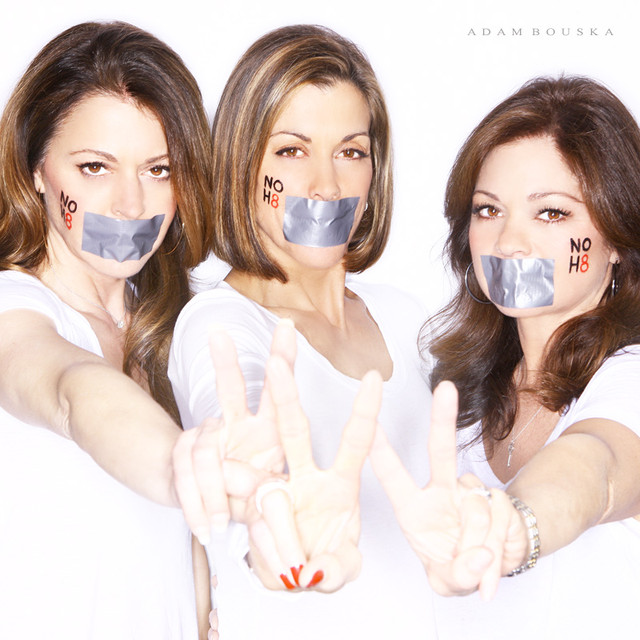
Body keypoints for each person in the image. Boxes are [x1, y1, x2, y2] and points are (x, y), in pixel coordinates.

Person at [169, 24, 434, 638]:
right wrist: (266, 507)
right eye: (291, 151)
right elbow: (235, 412)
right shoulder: (221, 321)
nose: (326, 185)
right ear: (242, 165)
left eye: (351, 151)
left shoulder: (406, 316)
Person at [370, 76, 640, 639]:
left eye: (551, 214)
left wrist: (513, 526)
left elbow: (599, 466)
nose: (510, 242)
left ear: (616, 238)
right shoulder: (456, 404)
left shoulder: (628, 377)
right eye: (488, 211)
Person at [0, 21, 215, 638]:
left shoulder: (176, 329)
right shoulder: (16, 311)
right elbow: (72, 391)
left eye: (158, 169)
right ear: (36, 168)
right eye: (95, 167)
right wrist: (192, 468)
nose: (130, 204)